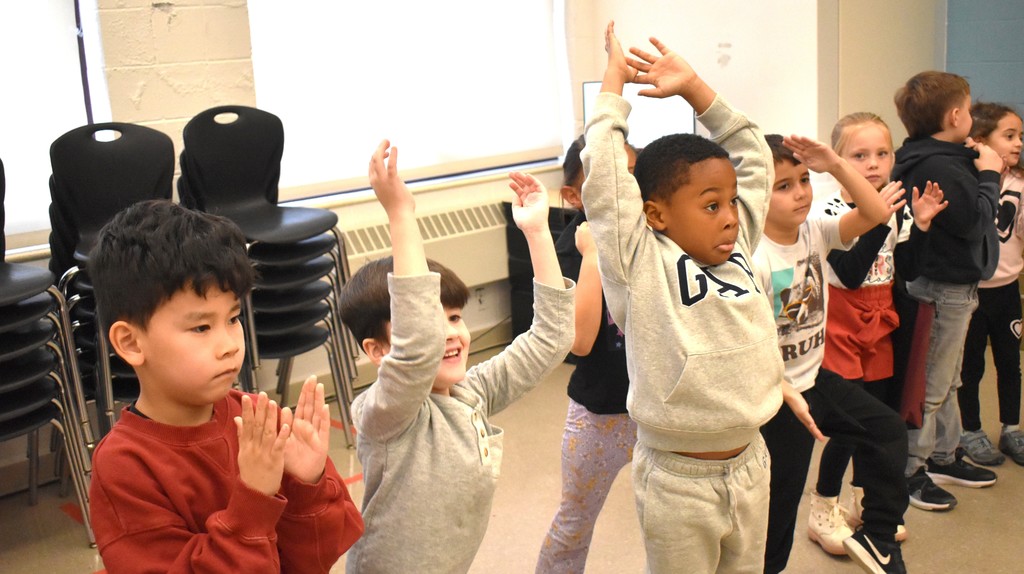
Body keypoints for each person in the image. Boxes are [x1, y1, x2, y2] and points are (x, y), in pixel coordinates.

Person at [582, 21, 814, 573]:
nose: (732, 216)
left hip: (752, 463)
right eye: (711, 205)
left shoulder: (737, 244)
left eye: (732, 202)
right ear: (657, 213)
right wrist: (613, 84)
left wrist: (696, 89)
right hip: (677, 480)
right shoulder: (638, 261)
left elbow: (754, 155)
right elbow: (605, 176)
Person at [87, 199, 364, 573]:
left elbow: (315, 559)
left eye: (233, 318)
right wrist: (255, 499)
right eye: (201, 327)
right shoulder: (124, 466)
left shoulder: (257, 420)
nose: (231, 344)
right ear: (131, 343)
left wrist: (308, 482)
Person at [340, 141, 574, 573]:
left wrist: (538, 233)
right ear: (378, 351)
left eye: (453, 317)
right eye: (431, 321)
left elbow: (551, 338)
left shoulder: (471, 393)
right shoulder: (384, 415)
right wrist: (400, 215)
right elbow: (417, 350)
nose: (449, 334)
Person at [754, 134, 929, 574]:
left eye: (804, 180)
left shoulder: (815, 229)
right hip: (778, 395)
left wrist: (833, 163)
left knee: (887, 430)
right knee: (782, 499)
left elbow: (875, 212)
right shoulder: (753, 256)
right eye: (783, 186)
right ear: (755, 194)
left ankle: (878, 537)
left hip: (816, 378)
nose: (800, 193)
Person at [891, 71, 1003, 512]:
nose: (973, 117)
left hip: (951, 284)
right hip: (942, 287)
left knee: (947, 379)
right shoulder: (939, 165)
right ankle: (910, 471)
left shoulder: (940, 156)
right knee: (931, 385)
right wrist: (990, 176)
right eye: (970, 109)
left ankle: (943, 454)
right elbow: (975, 222)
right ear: (956, 114)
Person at [808, 113, 918, 547]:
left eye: (882, 153)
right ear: (838, 160)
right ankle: (822, 506)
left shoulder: (897, 206)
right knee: (849, 424)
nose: (873, 164)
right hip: (842, 320)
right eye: (859, 155)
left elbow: (901, 267)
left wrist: (919, 226)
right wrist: (878, 215)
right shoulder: (827, 212)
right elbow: (851, 274)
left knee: (880, 417)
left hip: (881, 318)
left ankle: (864, 499)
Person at [535, 135, 638, 574]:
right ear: (574, 196)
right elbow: (579, 342)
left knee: (673, 519)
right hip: (601, 416)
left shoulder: (655, 235)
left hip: (659, 409)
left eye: (631, 177)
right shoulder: (569, 248)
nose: (620, 190)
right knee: (575, 521)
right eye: (603, 180)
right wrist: (593, 255)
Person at [958, 102, 1024, 467]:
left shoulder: (1019, 182)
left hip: (1008, 291)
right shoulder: (969, 180)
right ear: (981, 141)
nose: (1018, 144)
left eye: (1021, 137)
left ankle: (1012, 429)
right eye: (1009, 136)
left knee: (1009, 363)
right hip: (972, 292)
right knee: (970, 368)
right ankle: (971, 431)